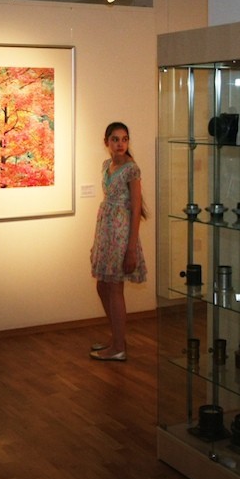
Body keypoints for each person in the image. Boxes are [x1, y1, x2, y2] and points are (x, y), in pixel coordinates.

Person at [89, 121, 147, 361]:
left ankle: (118, 347)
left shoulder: (132, 169)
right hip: (106, 229)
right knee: (102, 286)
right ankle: (117, 339)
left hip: (121, 233)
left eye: (124, 139)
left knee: (114, 287)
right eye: (115, 139)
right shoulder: (107, 165)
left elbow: (136, 209)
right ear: (107, 142)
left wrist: (131, 248)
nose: (120, 144)